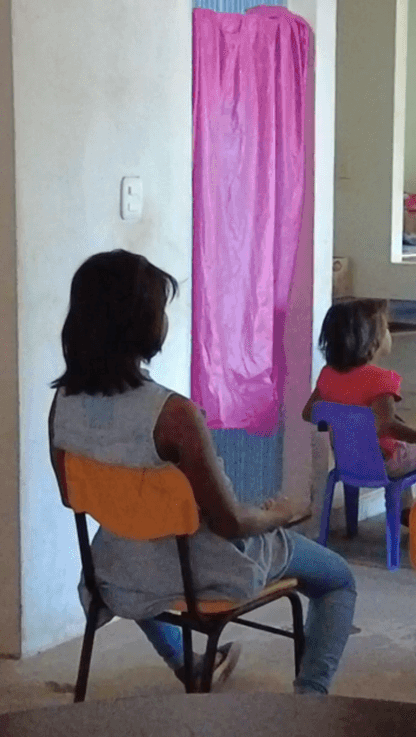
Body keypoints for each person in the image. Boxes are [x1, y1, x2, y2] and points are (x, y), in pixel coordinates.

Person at [49, 250, 355, 695]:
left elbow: (70, 496)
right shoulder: (173, 414)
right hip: (200, 572)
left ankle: (189, 664)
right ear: (140, 323)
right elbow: (230, 525)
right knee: (337, 580)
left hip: (116, 570)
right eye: (161, 308)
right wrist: (280, 514)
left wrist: (138, 512)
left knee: (134, 560)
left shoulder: (62, 406)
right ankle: (310, 695)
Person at [301, 298, 416, 513]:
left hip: (346, 462)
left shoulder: (327, 376)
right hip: (383, 462)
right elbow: (386, 425)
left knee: (405, 449)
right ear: (372, 341)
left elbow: (310, 414)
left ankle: (404, 510)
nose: (389, 333)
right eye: (386, 328)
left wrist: (340, 422)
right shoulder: (382, 380)